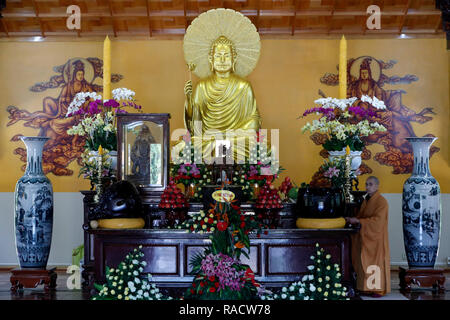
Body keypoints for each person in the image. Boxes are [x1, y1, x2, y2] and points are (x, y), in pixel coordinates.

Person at [346, 176, 391, 297]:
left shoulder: (382, 202)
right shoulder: (366, 200)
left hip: (375, 238)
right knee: (363, 262)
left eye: (370, 184)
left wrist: (359, 221)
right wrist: (354, 220)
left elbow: (378, 222)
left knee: (374, 264)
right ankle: (364, 288)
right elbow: (362, 216)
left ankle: (376, 289)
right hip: (366, 237)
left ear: (377, 186)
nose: (367, 187)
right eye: (366, 184)